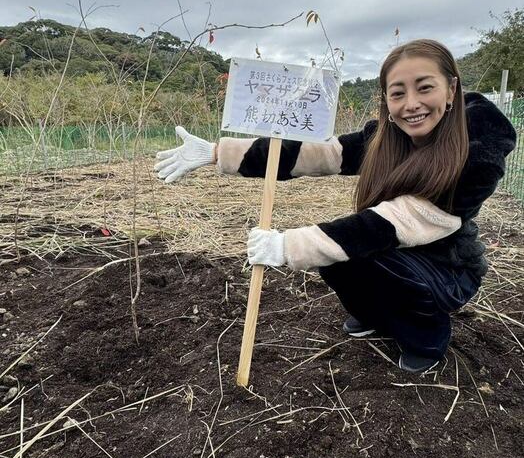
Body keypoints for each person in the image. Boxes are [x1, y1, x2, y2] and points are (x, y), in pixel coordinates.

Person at [154, 40, 516, 373]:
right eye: (397, 93)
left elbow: (400, 220)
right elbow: (321, 153)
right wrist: (220, 152)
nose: (411, 104)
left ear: (451, 88)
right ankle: (377, 315)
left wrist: (288, 246)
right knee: (340, 256)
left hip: (448, 268)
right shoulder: (388, 137)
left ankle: (428, 337)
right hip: (398, 248)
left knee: (358, 251)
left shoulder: (478, 153)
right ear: (386, 100)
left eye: (425, 87)